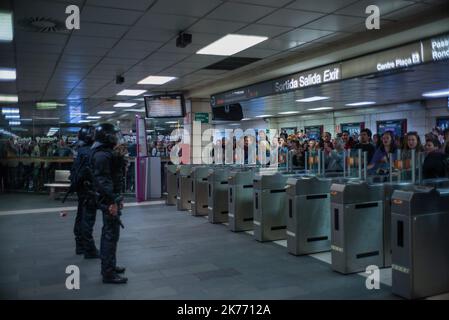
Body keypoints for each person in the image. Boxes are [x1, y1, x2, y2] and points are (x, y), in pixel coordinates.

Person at [90, 123, 127, 284]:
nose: (116, 138)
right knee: (110, 235)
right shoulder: (101, 155)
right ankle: (108, 272)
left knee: (111, 234)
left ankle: (109, 266)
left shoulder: (106, 153)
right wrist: (113, 201)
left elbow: (113, 176)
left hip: (111, 198)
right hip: (108, 200)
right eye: (113, 135)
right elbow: (104, 181)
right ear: (106, 136)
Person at [70, 125, 99, 258]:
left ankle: (80, 245)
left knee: (81, 215)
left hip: (81, 189)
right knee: (87, 218)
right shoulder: (89, 151)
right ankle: (89, 249)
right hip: (88, 189)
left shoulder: (80, 150)